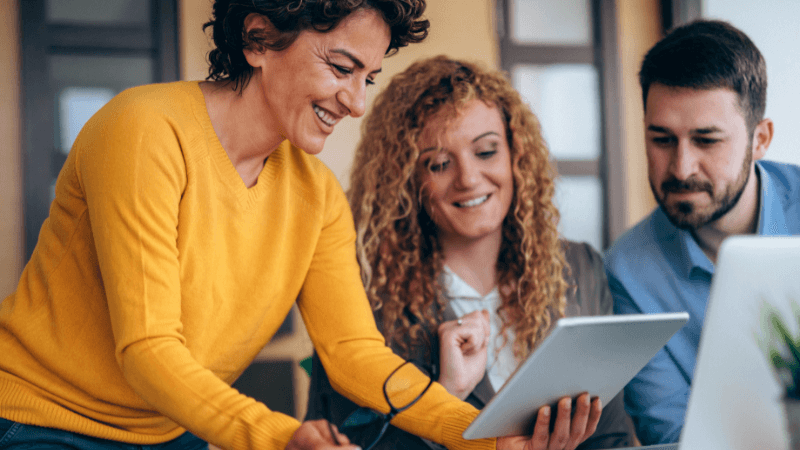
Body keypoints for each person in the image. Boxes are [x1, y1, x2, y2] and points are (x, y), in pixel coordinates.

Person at [0, 2, 542, 450]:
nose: (357, 103)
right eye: (341, 67)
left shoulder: (318, 195)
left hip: (172, 430)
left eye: (368, 78)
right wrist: (280, 438)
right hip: (41, 421)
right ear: (258, 39)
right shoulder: (145, 131)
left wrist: (479, 436)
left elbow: (353, 353)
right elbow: (147, 350)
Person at [306, 55, 635, 450]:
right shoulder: (362, 292)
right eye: (439, 164)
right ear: (407, 178)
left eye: (486, 151)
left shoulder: (579, 269)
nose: (468, 178)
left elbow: (612, 437)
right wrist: (446, 396)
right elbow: (339, 442)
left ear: (516, 154)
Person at [604, 19, 800, 445]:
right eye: (662, 140)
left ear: (760, 139)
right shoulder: (628, 270)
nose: (681, 168)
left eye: (706, 140)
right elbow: (675, 433)